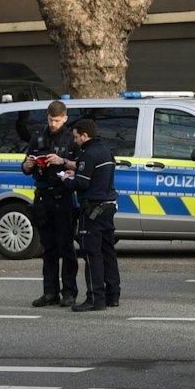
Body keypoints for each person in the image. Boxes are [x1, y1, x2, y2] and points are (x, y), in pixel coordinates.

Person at [24, 100, 81, 308]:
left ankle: (69, 292)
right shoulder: (38, 136)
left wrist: (62, 161)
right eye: (50, 120)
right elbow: (25, 167)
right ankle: (50, 292)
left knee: (66, 247)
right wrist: (29, 164)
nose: (53, 124)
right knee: (48, 248)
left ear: (65, 118)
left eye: (57, 120)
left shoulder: (71, 138)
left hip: (63, 196)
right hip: (43, 196)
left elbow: (82, 166)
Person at [65, 116, 120, 312]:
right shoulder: (105, 150)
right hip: (108, 207)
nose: (74, 141)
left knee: (92, 255)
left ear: (85, 135)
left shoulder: (87, 154)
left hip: (92, 210)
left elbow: (82, 183)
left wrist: (66, 180)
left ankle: (95, 298)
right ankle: (113, 295)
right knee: (108, 253)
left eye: (76, 137)